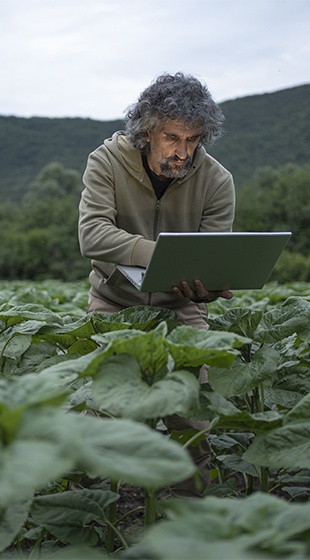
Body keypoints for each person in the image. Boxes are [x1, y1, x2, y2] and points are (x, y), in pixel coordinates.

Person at [78, 72, 236, 496]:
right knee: (107, 411)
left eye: (193, 140)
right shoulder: (107, 162)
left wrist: (205, 285)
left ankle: (191, 513)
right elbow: (92, 235)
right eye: (172, 138)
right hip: (114, 300)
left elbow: (212, 255)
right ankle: (101, 508)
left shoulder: (217, 182)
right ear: (147, 130)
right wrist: (160, 255)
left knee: (192, 416)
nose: (183, 151)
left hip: (181, 306)